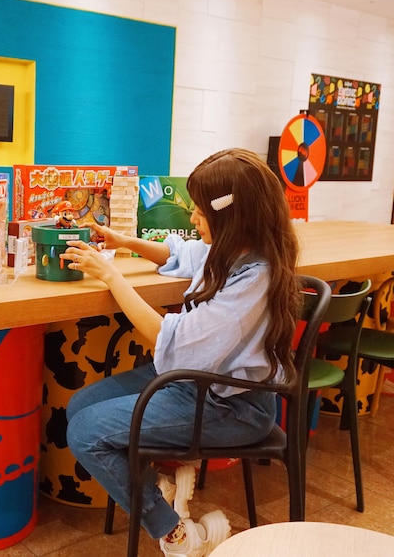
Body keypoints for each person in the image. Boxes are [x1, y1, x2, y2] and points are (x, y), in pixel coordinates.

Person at [61, 148, 302, 557]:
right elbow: (181, 254)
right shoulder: (236, 249)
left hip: (232, 406)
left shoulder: (254, 282)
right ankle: (155, 486)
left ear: (232, 217)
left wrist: (111, 276)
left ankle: (176, 536)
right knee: (79, 406)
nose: (192, 219)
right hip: (199, 382)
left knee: (85, 433)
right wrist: (124, 242)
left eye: (201, 212)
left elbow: (168, 337)